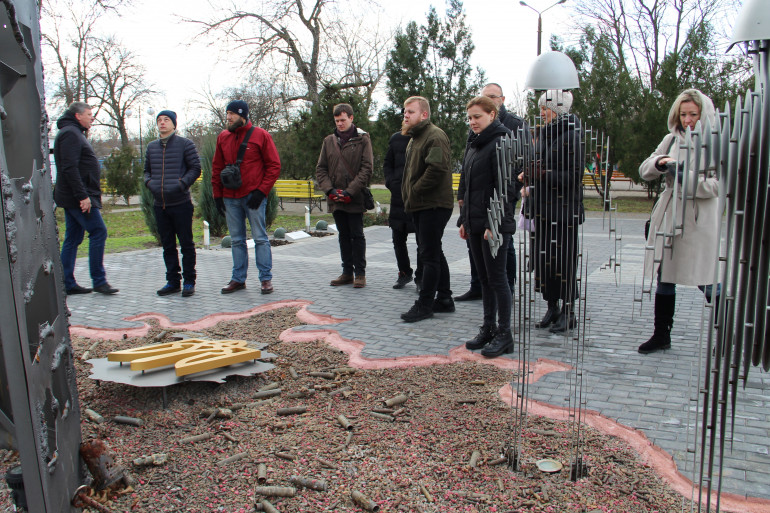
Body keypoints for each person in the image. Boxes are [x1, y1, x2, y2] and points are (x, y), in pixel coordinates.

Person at [637, 89, 720, 354]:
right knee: (665, 275)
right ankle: (661, 334)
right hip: (670, 215)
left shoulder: (715, 143)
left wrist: (686, 176)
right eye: (683, 114)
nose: (688, 120)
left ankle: (727, 331)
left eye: (693, 114)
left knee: (705, 277)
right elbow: (645, 168)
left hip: (697, 219)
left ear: (702, 114)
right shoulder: (671, 139)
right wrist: (662, 162)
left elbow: (717, 185)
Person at [458, 96, 519, 357]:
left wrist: (495, 224)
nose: (472, 122)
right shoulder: (474, 144)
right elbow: (467, 186)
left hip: (494, 225)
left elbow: (507, 190)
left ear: (492, 115)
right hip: (475, 224)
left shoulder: (502, 143)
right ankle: (488, 328)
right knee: (484, 280)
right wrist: (464, 220)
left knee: (497, 279)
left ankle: (504, 334)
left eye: (477, 117)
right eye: (470, 117)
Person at [456, 83, 528, 302]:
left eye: (492, 96)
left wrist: (496, 219)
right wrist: (462, 205)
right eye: (470, 118)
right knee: (483, 268)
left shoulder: (513, 127)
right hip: (475, 209)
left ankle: (508, 291)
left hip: (497, 211)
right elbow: (467, 171)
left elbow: (511, 177)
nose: (473, 121)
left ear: (500, 101)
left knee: (501, 264)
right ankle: (478, 289)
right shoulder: (475, 132)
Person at [523, 90, 584, 333]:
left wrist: (542, 175)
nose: (542, 112)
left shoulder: (571, 135)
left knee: (564, 262)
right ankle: (552, 307)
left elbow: (574, 176)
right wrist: (528, 175)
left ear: (559, 110)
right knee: (544, 262)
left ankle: (569, 312)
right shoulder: (543, 135)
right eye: (540, 108)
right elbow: (539, 165)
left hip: (563, 213)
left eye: (546, 108)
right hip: (542, 210)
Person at [212, 100, 281, 294]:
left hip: (253, 196)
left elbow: (274, 165)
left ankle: (266, 279)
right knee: (236, 240)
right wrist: (217, 195)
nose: (228, 118)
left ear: (243, 115)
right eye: (227, 114)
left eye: (232, 114)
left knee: (260, 238)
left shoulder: (261, 135)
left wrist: (261, 192)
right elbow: (216, 167)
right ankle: (238, 279)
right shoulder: (223, 137)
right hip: (230, 197)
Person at [54, 101, 119, 295]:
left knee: (73, 238)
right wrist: (83, 196)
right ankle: (99, 281)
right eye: (89, 114)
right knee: (98, 232)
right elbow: (69, 167)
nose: (92, 117)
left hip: (74, 196)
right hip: (78, 198)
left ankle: (67, 282)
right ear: (77, 116)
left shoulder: (73, 133)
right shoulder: (70, 134)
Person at [399, 96, 455, 322]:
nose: (405, 115)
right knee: (433, 252)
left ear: (424, 115)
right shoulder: (415, 138)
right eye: (405, 111)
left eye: (410, 112)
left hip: (433, 205)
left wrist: (414, 192)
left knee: (428, 255)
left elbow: (436, 170)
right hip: (422, 205)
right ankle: (444, 299)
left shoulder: (434, 135)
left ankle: (424, 305)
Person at [144, 110, 202, 297]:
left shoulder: (185, 144)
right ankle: (172, 281)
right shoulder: (152, 147)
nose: (162, 123)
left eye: (166, 120)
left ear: (174, 124)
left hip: (181, 203)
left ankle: (189, 281)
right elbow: (146, 171)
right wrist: (149, 183)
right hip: (160, 205)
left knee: (186, 244)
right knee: (168, 245)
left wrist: (181, 184)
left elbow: (195, 168)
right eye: (159, 120)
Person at [316, 103, 374, 288]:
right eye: (337, 121)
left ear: (351, 118)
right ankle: (347, 272)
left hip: (354, 196)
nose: (340, 124)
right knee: (343, 235)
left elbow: (367, 168)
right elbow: (321, 169)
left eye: (343, 120)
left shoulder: (363, 139)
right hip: (335, 196)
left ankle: (360, 274)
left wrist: (351, 190)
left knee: (357, 235)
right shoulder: (328, 141)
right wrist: (330, 190)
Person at [383, 131, 421, 290]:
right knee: (398, 240)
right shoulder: (395, 138)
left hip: (417, 197)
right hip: (398, 197)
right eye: (405, 114)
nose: (406, 117)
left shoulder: (423, 137)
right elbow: (387, 163)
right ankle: (404, 272)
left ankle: (422, 277)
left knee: (422, 241)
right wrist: (391, 182)